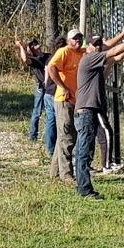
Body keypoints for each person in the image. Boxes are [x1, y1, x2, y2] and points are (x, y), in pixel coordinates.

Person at [72, 26, 124, 198]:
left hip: (88, 111)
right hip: (86, 112)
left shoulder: (94, 62)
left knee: (86, 151)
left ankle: (83, 187)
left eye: (99, 44)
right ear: (88, 45)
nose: (97, 46)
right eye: (94, 44)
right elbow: (113, 52)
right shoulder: (89, 59)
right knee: (84, 152)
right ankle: (84, 189)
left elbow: (115, 58)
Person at [45, 29, 86, 183]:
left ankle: (55, 173)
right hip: (64, 100)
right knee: (67, 137)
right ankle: (67, 175)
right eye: (75, 38)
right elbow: (51, 67)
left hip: (74, 100)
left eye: (80, 38)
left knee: (64, 137)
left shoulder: (82, 52)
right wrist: (62, 87)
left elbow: (106, 47)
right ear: (69, 40)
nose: (78, 41)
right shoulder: (64, 51)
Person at [15, 37, 49, 142]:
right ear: (30, 49)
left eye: (36, 43)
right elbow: (25, 59)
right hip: (40, 88)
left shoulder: (48, 56)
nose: (36, 45)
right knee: (37, 111)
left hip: (50, 88)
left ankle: (48, 137)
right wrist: (21, 46)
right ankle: (32, 135)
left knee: (49, 113)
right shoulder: (33, 60)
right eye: (32, 44)